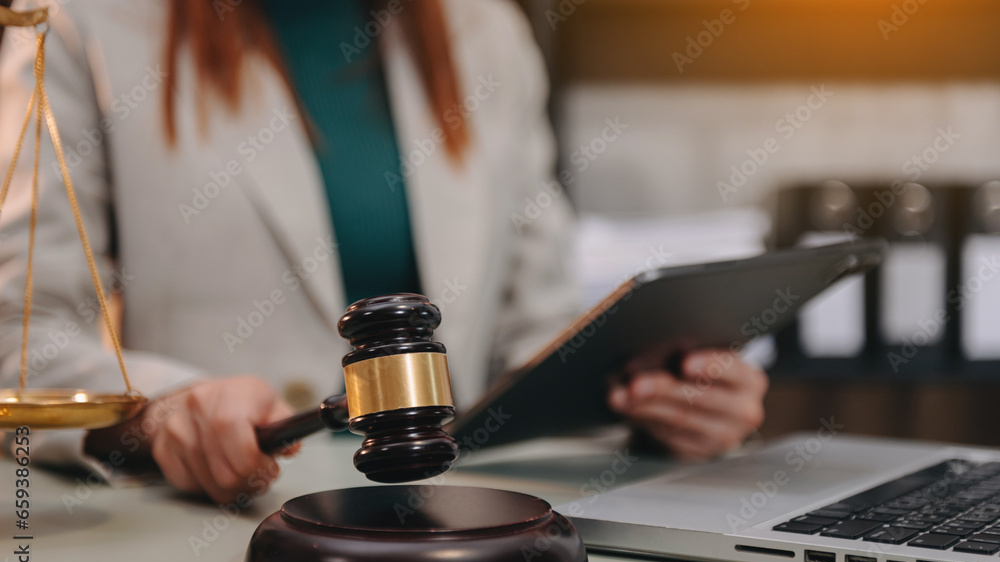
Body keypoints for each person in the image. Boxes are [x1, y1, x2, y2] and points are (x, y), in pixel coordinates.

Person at [0, 0, 767, 504]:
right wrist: (161, 412)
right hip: (218, 540)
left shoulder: (486, 30)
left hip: (452, 528)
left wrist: (655, 404)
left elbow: (533, 342)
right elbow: (18, 344)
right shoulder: (78, 24)